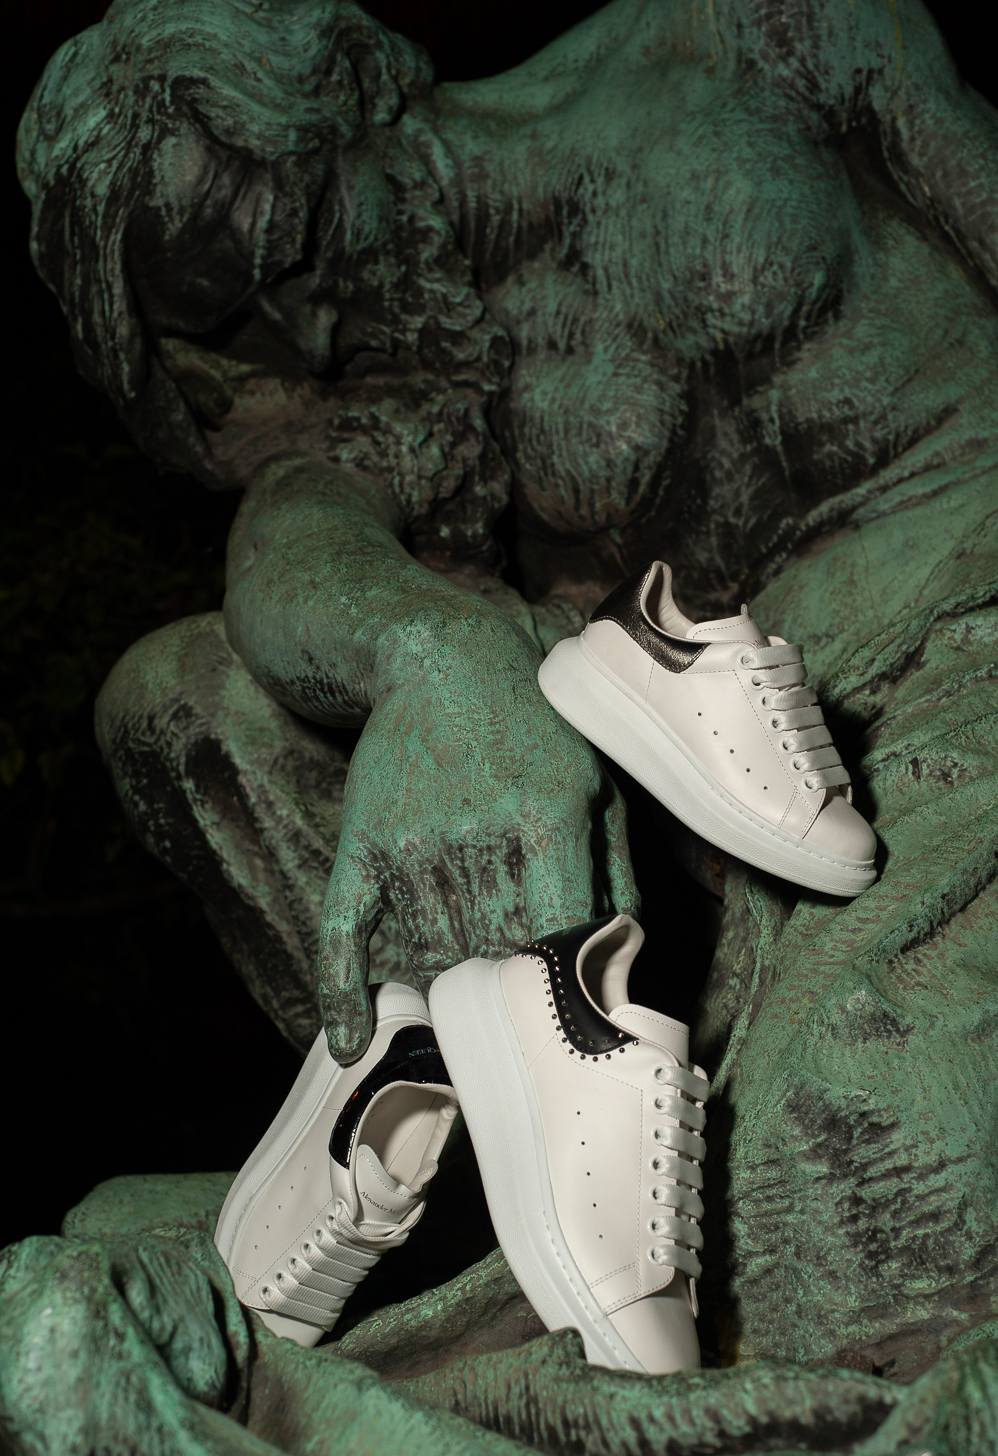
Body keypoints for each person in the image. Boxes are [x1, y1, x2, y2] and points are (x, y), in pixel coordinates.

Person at [18, 0, 998, 1374]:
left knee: (861, 1174)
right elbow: (299, 531)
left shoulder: (750, 33)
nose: (303, 327)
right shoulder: (431, 372)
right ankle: (444, 1063)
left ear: (340, 94)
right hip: (694, 763)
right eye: (236, 318)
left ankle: (532, 1116)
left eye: (291, 242)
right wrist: (435, 656)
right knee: (177, 695)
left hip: (962, 612)